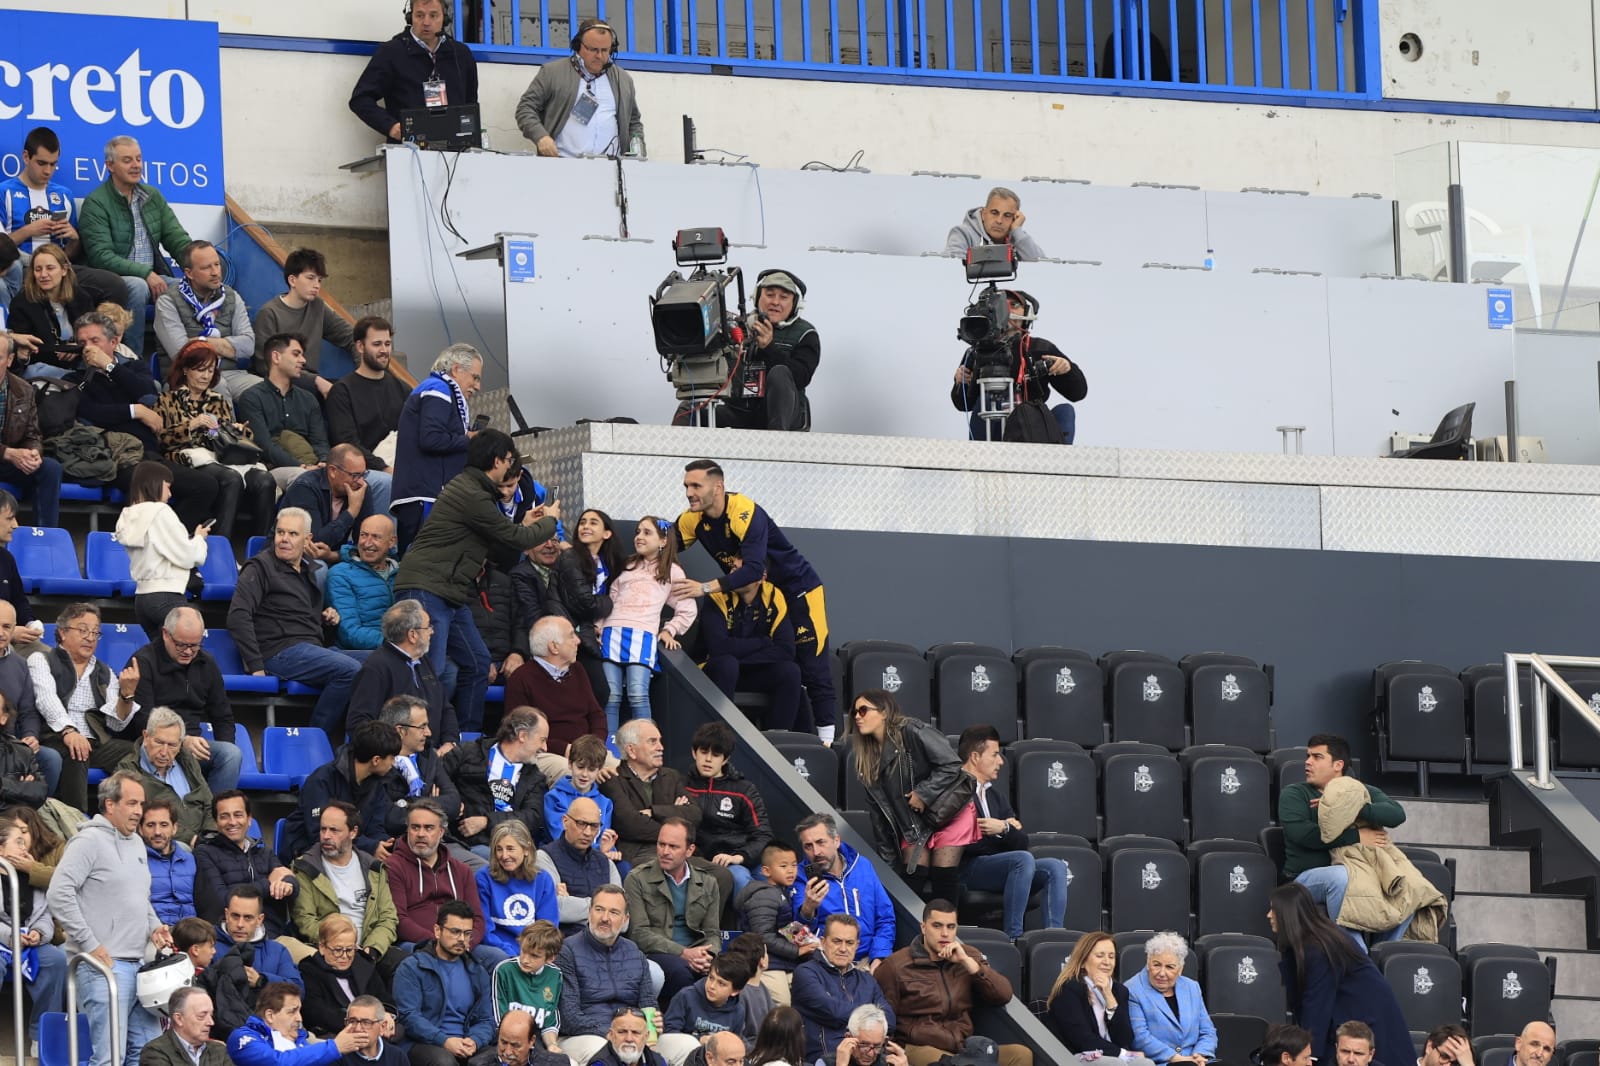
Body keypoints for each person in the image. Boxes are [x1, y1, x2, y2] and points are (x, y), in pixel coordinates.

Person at [395, 428, 561, 733]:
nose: (511, 467)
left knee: (477, 664)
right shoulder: (471, 493)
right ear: (497, 461)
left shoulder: (476, 492)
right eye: (510, 459)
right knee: (431, 669)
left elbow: (502, 549)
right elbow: (515, 538)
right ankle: (420, 742)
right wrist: (550, 520)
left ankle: (465, 739)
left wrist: (523, 524)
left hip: (449, 593)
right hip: (427, 588)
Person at [675, 460, 836, 741]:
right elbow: (664, 546)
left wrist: (704, 587)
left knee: (812, 666)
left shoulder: (744, 511)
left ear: (718, 487)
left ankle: (827, 744)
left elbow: (752, 568)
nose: (689, 492)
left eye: (696, 485)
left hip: (797, 588)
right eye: (686, 486)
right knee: (764, 665)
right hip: (755, 591)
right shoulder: (693, 518)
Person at [46, 771, 172, 1066]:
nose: (139, 811)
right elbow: (58, 893)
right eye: (132, 803)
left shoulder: (137, 843)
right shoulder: (87, 841)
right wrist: (90, 944)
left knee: (149, 1057)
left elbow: (141, 899)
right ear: (110, 805)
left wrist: (155, 927)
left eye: (141, 804)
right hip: (104, 966)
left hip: (140, 966)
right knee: (108, 1059)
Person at [230, 508, 367, 737]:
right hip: (278, 650)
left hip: (310, 648)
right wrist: (255, 666)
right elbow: (237, 616)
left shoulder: (308, 570)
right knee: (350, 670)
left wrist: (326, 619)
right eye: (280, 532)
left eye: (293, 534)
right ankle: (313, 738)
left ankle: (362, 737)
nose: (284, 539)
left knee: (382, 660)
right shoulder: (259, 567)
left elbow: (300, 619)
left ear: (308, 539)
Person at [1280, 733, 1415, 943]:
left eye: (1317, 757)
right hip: (1304, 880)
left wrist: (1352, 807)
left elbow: (1396, 814)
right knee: (1341, 877)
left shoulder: (1360, 792)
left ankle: (1382, 954)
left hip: (1359, 872)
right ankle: (1354, 955)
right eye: (1308, 756)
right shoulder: (1294, 794)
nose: (1307, 762)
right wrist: (1357, 836)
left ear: (1338, 765)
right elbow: (1302, 834)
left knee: (1411, 884)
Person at [847, 689, 974, 904]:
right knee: (913, 873)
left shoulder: (913, 731)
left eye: (863, 710)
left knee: (943, 876)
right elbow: (881, 821)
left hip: (949, 811)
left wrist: (923, 793)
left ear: (884, 712)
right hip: (914, 824)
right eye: (854, 712)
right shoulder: (867, 762)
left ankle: (946, 933)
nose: (857, 716)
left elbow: (952, 765)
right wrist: (889, 868)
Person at [1268, 882, 1412, 1066]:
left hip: (1367, 1020)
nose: (1269, 915)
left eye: (1273, 910)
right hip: (1348, 1018)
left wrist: (1309, 1058)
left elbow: (1316, 1006)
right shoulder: (1311, 941)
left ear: (1287, 914)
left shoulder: (1318, 947)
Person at [873, 900, 1029, 1066]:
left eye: (951, 927)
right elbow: (882, 1021)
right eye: (937, 926)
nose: (945, 933)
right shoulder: (895, 966)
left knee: (1020, 1055)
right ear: (923, 927)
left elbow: (1003, 995)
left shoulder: (968, 955)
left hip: (962, 1046)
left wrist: (968, 963)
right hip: (919, 1047)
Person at [77, 135, 193, 357]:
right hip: (115, 279)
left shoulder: (152, 196)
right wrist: (145, 273)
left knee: (186, 289)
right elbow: (101, 256)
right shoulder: (97, 202)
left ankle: (186, 361)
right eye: (127, 160)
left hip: (153, 276)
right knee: (138, 286)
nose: (136, 165)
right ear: (110, 166)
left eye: (138, 159)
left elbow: (176, 237)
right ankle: (132, 359)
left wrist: (198, 263)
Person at [154, 338, 277, 538]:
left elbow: (230, 440)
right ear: (186, 369)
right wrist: (191, 425)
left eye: (210, 371)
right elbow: (160, 441)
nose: (206, 376)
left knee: (265, 480)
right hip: (188, 458)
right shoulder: (167, 400)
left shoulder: (218, 401)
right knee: (231, 478)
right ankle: (221, 545)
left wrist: (237, 430)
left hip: (220, 456)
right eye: (201, 370)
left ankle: (262, 550)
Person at [956, 724, 1068, 940]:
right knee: (1022, 860)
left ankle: (1055, 937)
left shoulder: (996, 796)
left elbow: (1021, 841)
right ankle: (1014, 937)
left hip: (999, 865)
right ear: (975, 757)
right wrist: (1004, 834)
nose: (1001, 761)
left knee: (1055, 866)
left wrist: (1002, 828)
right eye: (995, 754)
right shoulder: (957, 790)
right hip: (969, 868)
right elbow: (966, 844)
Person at [30, 601, 144, 811]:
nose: (90, 637)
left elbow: (116, 724)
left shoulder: (104, 671)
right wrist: (69, 730)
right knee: (77, 752)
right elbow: (46, 700)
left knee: (138, 752)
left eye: (95, 632)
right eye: (83, 630)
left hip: (95, 741)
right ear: (63, 633)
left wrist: (126, 695)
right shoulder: (42, 659)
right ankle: (77, 824)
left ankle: (130, 816)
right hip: (54, 736)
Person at [597, 516, 697, 731]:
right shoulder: (627, 565)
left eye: (647, 532)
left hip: (642, 636)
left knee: (637, 694)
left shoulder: (673, 571)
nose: (639, 537)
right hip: (610, 633)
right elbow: (609, 599)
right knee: (611, 695)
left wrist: (670, 630)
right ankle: (609, 752)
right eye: (637, 532)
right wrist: (598, 626)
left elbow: (688, 609)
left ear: (663, 541)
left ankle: (646, 748)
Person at [130, 605, 244, 791]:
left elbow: (222, 716)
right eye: (182, 645)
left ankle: (215, 816)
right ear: (166, 634)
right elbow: (143, 719)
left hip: (193, 747)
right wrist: (180, 741)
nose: (189, 652)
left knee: (231, 754)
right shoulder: (144, 661)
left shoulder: (207, 663)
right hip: (157, 746)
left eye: (195, 645)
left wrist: (223, 744)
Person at [950, 290, 1085, 443]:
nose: (1006, 308)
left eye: (1014, 305)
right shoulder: (977, 351)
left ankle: (1056, 463)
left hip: (1032, 429)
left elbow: (1078, 393)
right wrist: (960, 382)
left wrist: (1067, 369)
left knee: (1065, 411)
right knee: (986, 400)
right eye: (1000, 304)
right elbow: (961, 403)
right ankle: (979, 460)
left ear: (1027, 313)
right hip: (992, 431)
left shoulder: (1041, 348)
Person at [384, 798, 499, 965]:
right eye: (415, 827)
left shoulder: (462, 871)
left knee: (496, 958)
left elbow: (477, 918)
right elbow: (398, 919)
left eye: (429, 828)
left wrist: (466, 942)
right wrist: (439, 943)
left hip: (460, 943)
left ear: (441, 833)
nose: (421, 834)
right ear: (407, 830)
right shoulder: (394, 866)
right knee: (415, 957)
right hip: (417, 944)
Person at [290, 800, 403, 971]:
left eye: (334, 830)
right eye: (323, 829)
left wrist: (371, 949)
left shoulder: (374, 868)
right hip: (329, 950)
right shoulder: (305, 868)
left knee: (408, 964)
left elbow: (388, 918)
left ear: (353, 832)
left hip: (369, 947)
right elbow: (305, 920)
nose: (326, 836)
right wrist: (343, 946)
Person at [392, 344, 483, 553]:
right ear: (457, 369)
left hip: (426, 495)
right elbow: (431, 438)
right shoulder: (437, 388)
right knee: (423, 566)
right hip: (424, 496)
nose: (477, 386)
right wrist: (470, 439)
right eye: (475, 377)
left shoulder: (437, 389)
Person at [350, 0, 480, 143]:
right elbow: (360, 99)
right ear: (410, 17)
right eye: (419, 15)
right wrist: (390, 126)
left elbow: (471, 104)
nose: (426, 22)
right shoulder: (392, 52)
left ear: (445, 18)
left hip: (455, 151)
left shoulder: (461, 54)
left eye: (433, 15)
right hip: (408, 150)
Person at [623, 817, 721, 1005]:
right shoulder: (637, 879)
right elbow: (638, 934)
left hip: (696, 953)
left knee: (727, 972)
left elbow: (712, 933)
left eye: (673, 847)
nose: (665, 852)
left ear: (689, 850)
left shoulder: (708, 882)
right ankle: (679, 1026)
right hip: (655, 953)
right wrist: (683, 952)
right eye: (661, 844)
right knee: (680, 971)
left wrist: (708, 956)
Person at [515, 20, 643, 159]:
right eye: (593, 49)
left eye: (605, 50)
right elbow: (525, 109)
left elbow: (633, 121)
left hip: (610, 167)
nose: (599, 56)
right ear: (578, 46)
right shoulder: (552, 73)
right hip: (563, 164)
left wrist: (637, 153)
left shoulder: (623, 79)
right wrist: (541, 137)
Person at [393, 899, 498, 1066]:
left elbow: (486, 1019)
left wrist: (475, 1040)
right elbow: (409, 1017)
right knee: (444, 1062)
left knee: (497, 1058)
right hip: (423, 1044)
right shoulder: (412, 967)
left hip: (465, 1043)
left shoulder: (477, 971)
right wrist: (444, 1040)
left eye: (467, 933)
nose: (462, 939)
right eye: (455, 932)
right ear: (437, 930)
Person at [554, 887, 654, 1061]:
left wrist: (650, 1034)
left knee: (685, 1046)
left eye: (614, 912)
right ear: (589, 912)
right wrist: (613, 1032)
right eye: (599, 909)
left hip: (631, 1033)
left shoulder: (634, 952)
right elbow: (569, 1017)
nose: (605, 918)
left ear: (625, 920)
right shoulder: (567, 951)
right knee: (605, 1052)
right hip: (583, 1036)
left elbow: (649, 1005)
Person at [115, 463, 210, 640]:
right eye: (168, 487)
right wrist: (199, 539)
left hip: (142, 600)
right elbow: (189, 556)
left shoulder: (127, 514)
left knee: (161, 661)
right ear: (156, 484)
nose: (170, 494)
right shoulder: (161, 512)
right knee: (188, 651)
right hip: (167, 595)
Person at [699, 574, 805, 731]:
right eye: (732, 568)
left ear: (761, 577)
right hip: (714, 672)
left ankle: (777, 745)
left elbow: (786, 650)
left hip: (750, 670)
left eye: (741, 570)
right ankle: (720, 740)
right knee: (728, 664)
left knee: (790, 671)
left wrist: (740, 659)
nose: (733, 575)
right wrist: (764, 642)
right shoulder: (717, 594)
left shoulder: (773, 595)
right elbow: (718, 648)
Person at [348, 599, 459, 745]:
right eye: (428, 627)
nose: (432, 631)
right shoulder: (376, 668)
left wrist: (450, 742)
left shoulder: (424, 661)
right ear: (412, 635)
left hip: (435, 756)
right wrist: (393, 754)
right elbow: (359, 724)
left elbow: (445, 708)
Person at [716, 271, 817, 432]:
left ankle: (776, 448)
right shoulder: (737, 328)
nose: (776, 302)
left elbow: (801, 376)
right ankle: (675, 457)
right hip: (742, 412)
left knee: (780, 372)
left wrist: (769, 348)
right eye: (770, 295)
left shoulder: (806, 333)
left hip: (787, 417)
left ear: (795, 303)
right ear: (757, 297)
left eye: (784, 297)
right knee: (691, 409)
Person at [287, 721, 403, 860]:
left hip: (352, 854)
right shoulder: (322, 779)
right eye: (392, 758)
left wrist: (383, 844)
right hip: (310, 854)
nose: (393, 763)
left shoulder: (377, 783)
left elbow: (375, 827)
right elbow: (319, 833)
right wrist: (370, 847)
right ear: (376, 760)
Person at [153, 240, 257, 394]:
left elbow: (248, 346)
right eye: (206, 267)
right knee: (217, 386)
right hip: (186, 378)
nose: (215, 272)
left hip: (231, 374)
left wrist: (202, 342)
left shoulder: (231, 296)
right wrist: (228, 347)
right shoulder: (168, 302)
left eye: (216, 264)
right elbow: (182, 354)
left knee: (264, 391)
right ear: (189, 273)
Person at [193, 790, 300, 937]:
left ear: (249, 819)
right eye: (224, 816)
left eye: (238, 815)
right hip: (231, 939)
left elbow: (291, 882)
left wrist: (287, 884)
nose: (232, 822)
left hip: (272, 937)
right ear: (216, 822)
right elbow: (221, 900)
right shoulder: (204, 853)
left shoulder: (264, 853)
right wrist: (269, 884)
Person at [792, 813, 894, 968]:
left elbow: (885, 919)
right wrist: (807, 909)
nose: (816, 852)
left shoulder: (863, 866)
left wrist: (878, 957)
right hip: (825, 963)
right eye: (808, 846)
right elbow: (794, 933)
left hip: (867, 959)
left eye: (821, 842)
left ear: (836, 841)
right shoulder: (800, 876)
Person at [791, 915, 895, 1065]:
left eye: (850, 942)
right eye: (837, 941)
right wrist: (871, 1016)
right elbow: (834, 1011)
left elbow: (889, 1020)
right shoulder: (806, 973)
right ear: (823, 941)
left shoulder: (867, 980)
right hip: (823, 1060)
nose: (843, 949)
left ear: (857, 945)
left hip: (867, 1060)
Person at [447, 706, 552, 853]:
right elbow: (439, 777)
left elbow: (532, 816)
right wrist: (451, 799)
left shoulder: (534, 776)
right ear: (522, 735)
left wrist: (487, 821)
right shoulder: (470, 753)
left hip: (511, 847)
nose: (545, 748)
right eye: (542, 740)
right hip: (467, 842)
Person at [602, 718, 704, 867]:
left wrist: (654, 811)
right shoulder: (613, 780)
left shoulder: (671, 776)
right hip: (639, 853)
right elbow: (631, 824)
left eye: (660, 741)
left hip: (679, 854)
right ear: (631, 750)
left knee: (722, 876)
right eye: (652, 741)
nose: (661, 747)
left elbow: (695, 814)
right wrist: (675, 815)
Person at [0, 816, 65, 1049]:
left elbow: (44, 915)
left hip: (29, 942)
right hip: (2, 941)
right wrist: (10, 935)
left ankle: (41, 1036)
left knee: (56, 960)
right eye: (17, 841)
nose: (24, 846)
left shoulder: (31, 872)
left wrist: (39, 933)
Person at [252, 248, 353, 398]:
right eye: (310, 278)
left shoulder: (318, 307)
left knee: (347, 394)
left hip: (310, 382)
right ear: (292, 280)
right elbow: (264, 365)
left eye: (319, 280)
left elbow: (352, 336)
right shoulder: (269, 313)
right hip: (280, 384)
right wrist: (315, 381)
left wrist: (363, 372)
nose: (317, 285)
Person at [685, 722, 770, 898]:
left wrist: (739, 856)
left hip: (739, 857)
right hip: (703, 861)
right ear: (694, 753)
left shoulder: (744, 790)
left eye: (715, 755)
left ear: (725, 759)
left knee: (771, 878)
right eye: (703, 752)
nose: (708, 759)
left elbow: (763, 836)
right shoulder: (682, 786)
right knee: (739, 877)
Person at [506, 617, 607, 764]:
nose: (578, 641)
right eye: (571, 635)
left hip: (588, 752)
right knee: (572, 775)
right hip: (546, 754)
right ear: (554, 647)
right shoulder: (520, 679)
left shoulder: (578, 670)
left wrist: (595, 746)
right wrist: (566, 749)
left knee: (619, 774)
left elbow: (596, 714)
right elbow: (519, 732)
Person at [211, 884, 306, 1034]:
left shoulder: (277, 950)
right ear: (226, 914)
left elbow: (298, 990)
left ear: (260, 919)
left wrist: (262, 981)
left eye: (248, 917)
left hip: (281, 1031)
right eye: (235, 916)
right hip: (229, 1031)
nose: (240, 924)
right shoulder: (210, 947)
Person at [552, 508, 623, 706]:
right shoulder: (571, 557)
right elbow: (585, 604)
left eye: (593, 522)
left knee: (595, 695)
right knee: (598, 692)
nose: (585, 526)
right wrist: (609, 601)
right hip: (570, 636)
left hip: (585, 635)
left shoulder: (606, 565)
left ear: (607, 534)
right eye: (582, 522)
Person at [236, 334, 331, 480]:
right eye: (296, 354)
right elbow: (265, 446)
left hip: (311, 465)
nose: (303, 360)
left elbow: (320, 441)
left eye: (302, 355)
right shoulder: (252, 398)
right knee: (303, 478)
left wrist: (323, 462)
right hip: (273, 469)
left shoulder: (308, 399)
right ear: (276, 357)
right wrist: (301, 466)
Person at [116, 706, 215, 844]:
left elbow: (209, 802)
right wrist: (192, 840)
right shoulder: (128, 770)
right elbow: (139, 818)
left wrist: (211, 834)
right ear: (146, 736)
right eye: (159, 742)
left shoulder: (187, 760)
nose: (164, 752)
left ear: (180, 744)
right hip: (166, 844)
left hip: (203, 840)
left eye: (172, 745)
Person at [281, 444, 392, 566]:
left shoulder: (361, 489)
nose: (360, 481)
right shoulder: (306, 487)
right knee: (320, 568)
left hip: (335, 560)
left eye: (363, 475)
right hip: (293, 557)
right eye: (355, 475)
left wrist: (334, 556)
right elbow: (313, 544)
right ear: (333, 471)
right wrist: (352, 511)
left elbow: (362, 545)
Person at [327, 317, 409, 472]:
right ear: (360, 346)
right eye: (377, 344)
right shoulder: (342, 391)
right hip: (362, 472)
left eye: (387, 344)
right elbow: (348, 443)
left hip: (402, 466)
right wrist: (384, 468)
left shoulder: (401, 388)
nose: (384, 350)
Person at [297, 915, 397, 1039]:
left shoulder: (363, 964)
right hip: (338, 1033)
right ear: (322, 947)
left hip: (376, 1030)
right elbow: (317, 1013)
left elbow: (384, 998)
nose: (344, 956)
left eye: (350, 950)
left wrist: (386, 1015)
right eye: (338, 950)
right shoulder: (309, 970)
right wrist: (361, 1025)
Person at [0, 333, 63, 527]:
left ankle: (43, 536)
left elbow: (32, 434)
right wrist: (9, 453)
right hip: (6, 455)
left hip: (7, 461)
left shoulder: (24, 390)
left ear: (10, 360)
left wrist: (33, 452)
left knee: (50, 468)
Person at [1124, 932, 1215, 1065]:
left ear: (1180, 969)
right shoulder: (1132, 989)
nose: (1162, 973)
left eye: (1169, 967)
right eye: (1156, 965)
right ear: (1148, 962)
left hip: (1196, 1060)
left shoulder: (1192, 987)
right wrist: (1176, 1058)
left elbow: (1208, 1031)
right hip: (1160, 1062)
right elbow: (1139, 1038)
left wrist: (1199, 1055)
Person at [536, 796, 622, 937]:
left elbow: (623, 920)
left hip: (607, 944)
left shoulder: (606, 863)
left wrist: (573, 904)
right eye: (581, 823)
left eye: (594, 826)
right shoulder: (544, 857)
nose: (588, 832)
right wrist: (607, 909)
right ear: (565, 821)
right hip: (564, 943)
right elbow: (555, 908)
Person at [226, 981, 368, 1066]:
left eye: (299, 1011)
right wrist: (335, 1047)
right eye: (292, 1011)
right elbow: (277, 1063)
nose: (299, 1018)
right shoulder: (243, 1037)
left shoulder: (301, 1041)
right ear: (270, 1015)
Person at [381, 695, 463, 838]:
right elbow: (391, 819)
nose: (428, 732)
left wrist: (407, 803)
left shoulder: (429, 756)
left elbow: (454, 802)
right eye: (422, 727)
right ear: (400, 731)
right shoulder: (379, 762)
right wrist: (432, 804)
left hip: (441, 842)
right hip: (397, 845)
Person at [1045, 932, 1138, 1058]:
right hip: (1077, 1056)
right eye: (1100, 956)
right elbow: (1082, 1040)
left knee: (1145, 1063)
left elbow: (1124, 1039)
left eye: (1111, 957)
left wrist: (1109, 997)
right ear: (1083, 962)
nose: (1107, 962)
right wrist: (1123, 1054)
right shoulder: (1068, 990)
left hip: (1113, 1055)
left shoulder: (1120, 991)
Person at [7, 243, 95, 376]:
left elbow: (94, 334)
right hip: (42, 368)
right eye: (38, 269)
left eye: (50, 268)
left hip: (81, 362)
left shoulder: (81, 297)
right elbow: (26, 352)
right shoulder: (22, 303)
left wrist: (78, 348)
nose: (43, 274)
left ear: (64, 270)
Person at [477, 820, 560, 955]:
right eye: (499, 849)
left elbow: (547, 930)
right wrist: (510, 953)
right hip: (496, 950)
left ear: (526, 849)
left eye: (510, 848)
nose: (504, 856)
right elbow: (484, 930)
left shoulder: (543, 880)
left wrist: (530, 956)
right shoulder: (484, 878)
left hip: (532, 952)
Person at [659, 952, 753, 1065]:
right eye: (711, 978)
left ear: (735, 991)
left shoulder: (738, 1011)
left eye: (721, 984)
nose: (712, 986)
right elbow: (669, 1033)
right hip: (685, 1056)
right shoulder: (685, 996)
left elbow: (736, 1040)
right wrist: (699, 1039)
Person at [328, 515, 402, 652]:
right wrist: (395, 643)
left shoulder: (402, 573)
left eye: (376, 537)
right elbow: (348, 632)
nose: (367, 543)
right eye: (363, 535)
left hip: (399, 647)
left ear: (392, 542)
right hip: (361, 651)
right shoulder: (341, 574)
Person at [543, 733, 616, 851]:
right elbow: (559, 836)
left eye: (591, 769)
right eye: (580, 767)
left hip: (595, 856)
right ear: (570, 764)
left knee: (623, 867)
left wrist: (609, 851)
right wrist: (599, 850)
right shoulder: (554, 797)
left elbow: (604, 837)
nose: (585, 774)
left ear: (600, 769)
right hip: (562, 855)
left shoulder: (605, 803)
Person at [491, 920, 564, 1037]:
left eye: (534, 956)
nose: (525, 959)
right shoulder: (504, 970)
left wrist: (552, 1045)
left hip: (538, 1038)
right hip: (510, 1037)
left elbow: (550, 1020)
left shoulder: (555, 974)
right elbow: (499, 1018)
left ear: (550, 958)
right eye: (523, 951)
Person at [944, 188, 1046, 262]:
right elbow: (952, 268)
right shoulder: (962, 233)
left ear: (1014, 218)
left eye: (1007, 215)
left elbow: (1040, 267)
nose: (999, 220)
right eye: (994, 213)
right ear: (984, 214)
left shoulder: (1018, 239)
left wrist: (1017, 231)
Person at [142, 796, 198, 925]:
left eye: (164, 825)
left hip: (191, 933)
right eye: (150, 825)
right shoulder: (136, 861)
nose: (157, 832)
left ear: (174, 828)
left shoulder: (191, 859)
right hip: (154, 933)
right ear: (140, 829)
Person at [142, 986, 230, 1066]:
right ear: (179, 1019)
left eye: (211, 1015)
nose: (211, 1022)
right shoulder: (155, 1051)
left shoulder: (219, 1050)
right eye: (201, 1016)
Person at [0, 689, 47, 808]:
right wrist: (19, 788)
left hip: (15, 819)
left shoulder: (21, 752)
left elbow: (39, 793)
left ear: (4, 718)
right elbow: (27, 795)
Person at [581, 1008, 665, 1066]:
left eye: (635, 1032)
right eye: (622, 1032)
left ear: (646, 1036)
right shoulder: (600, 1064)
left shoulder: (657, 1061)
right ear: (610, 1035)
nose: (629, 1039)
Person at [341, 995, 408, 1066]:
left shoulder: (397, 1057)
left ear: (382, 1027)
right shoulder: (337, 1058)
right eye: (352, 1021)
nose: (358, 1028)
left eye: (366, 1022)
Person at [834, 1005, 909, 1066]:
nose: (870, 1054)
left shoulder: (892, 1063)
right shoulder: (826, 1063)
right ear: (848, 1038)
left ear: (884, 1040)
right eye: (864, 1045)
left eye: (877, 1046)